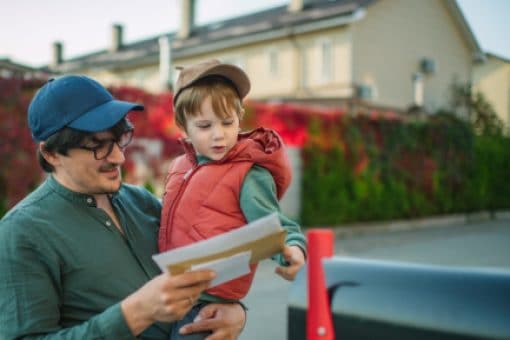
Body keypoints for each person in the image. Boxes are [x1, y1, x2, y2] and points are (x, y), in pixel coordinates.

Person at [0, 75, 246, 340]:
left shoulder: (142, 201)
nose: (118, 157)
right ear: (51, 153)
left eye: (119, 139)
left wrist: (234, 312)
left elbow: (200, 271)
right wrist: (136, 312)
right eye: (97, 147)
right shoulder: (22, 233)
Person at [158, 59, 307, 339]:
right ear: (183, 127)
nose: (219, 135)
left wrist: (293, 249)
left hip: (209, 307)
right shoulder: (179, 167)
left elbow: (275, 225)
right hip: (173, 292)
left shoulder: (247, 173)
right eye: (205, 126)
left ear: (240, 117)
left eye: (228, 123)